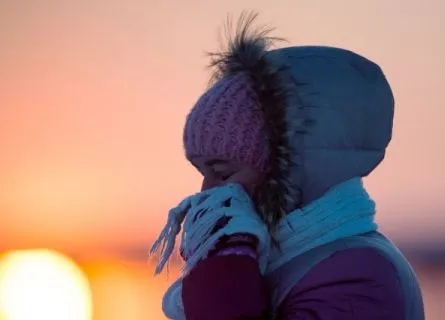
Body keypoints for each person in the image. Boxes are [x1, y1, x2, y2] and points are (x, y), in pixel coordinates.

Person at [150, 13, 424, 320]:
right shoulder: (288, 260)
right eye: (203, 173)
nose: (207, 191)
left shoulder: (358, 277)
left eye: (224, 172)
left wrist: (222, 275)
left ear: (287, 168)